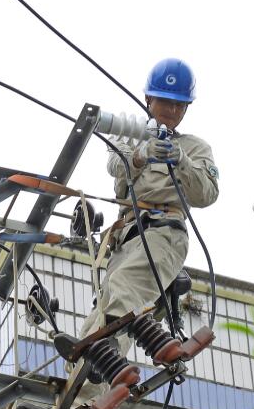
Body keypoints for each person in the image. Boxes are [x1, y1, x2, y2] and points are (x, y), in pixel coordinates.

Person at [77, 57, 220, 356]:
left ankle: (101, 354)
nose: (171, 110)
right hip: (126, 237)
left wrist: (181, 161)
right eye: (165, 102)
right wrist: (142, 154)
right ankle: (81, 390)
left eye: (178, 105)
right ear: (148, 99)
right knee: (103, 312)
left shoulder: (195, 148)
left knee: (124, 292)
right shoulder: (129, 133)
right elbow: (116, 165)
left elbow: (207, 195)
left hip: (164, 233)